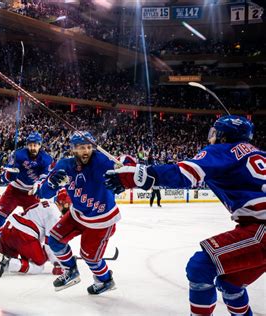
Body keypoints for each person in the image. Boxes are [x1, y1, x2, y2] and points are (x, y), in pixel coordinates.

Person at [105, 115, 265, 316]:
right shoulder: (260, 153)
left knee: (201, 267)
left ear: (224, 135)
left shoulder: (222, 150)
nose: (212, 137)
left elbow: (184, 174)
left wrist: (136, 176)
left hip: (261, 228)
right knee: (231, 284)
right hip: (255, 226)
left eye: (215, 132)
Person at [36, 132, 126, 295]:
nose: (86, 151)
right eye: (81, 147)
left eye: (89, 147)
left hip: (101, 221)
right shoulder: (64, 165)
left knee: (90, 258)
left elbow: (127, 167)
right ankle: (71, 270)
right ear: (73, 149)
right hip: (77, 214)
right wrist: (51, 183)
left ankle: (105, 280)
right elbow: (43, 193)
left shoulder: (101, 161)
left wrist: (124, 174)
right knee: (54, 241)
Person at [0, 189, 72, 277]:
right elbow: (50, 245)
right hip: (23, 235)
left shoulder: (46, 204)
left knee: (13, 262)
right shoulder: (55, 214)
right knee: (39, 266)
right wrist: (57, 263)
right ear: (65, 204)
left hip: (7, 231)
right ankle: (5, 260)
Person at [0, 132, 53, 255]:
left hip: (32, 193)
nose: (33, 147)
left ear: (40, 145)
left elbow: (44, 177)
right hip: (14, 190)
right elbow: (5, 177)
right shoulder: (18, 154)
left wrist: (38, 185)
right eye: (30, 145)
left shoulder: (46, 159)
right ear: (27, 145)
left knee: (35, 225)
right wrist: (10, 174)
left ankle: (33, 247)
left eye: (35, 145)